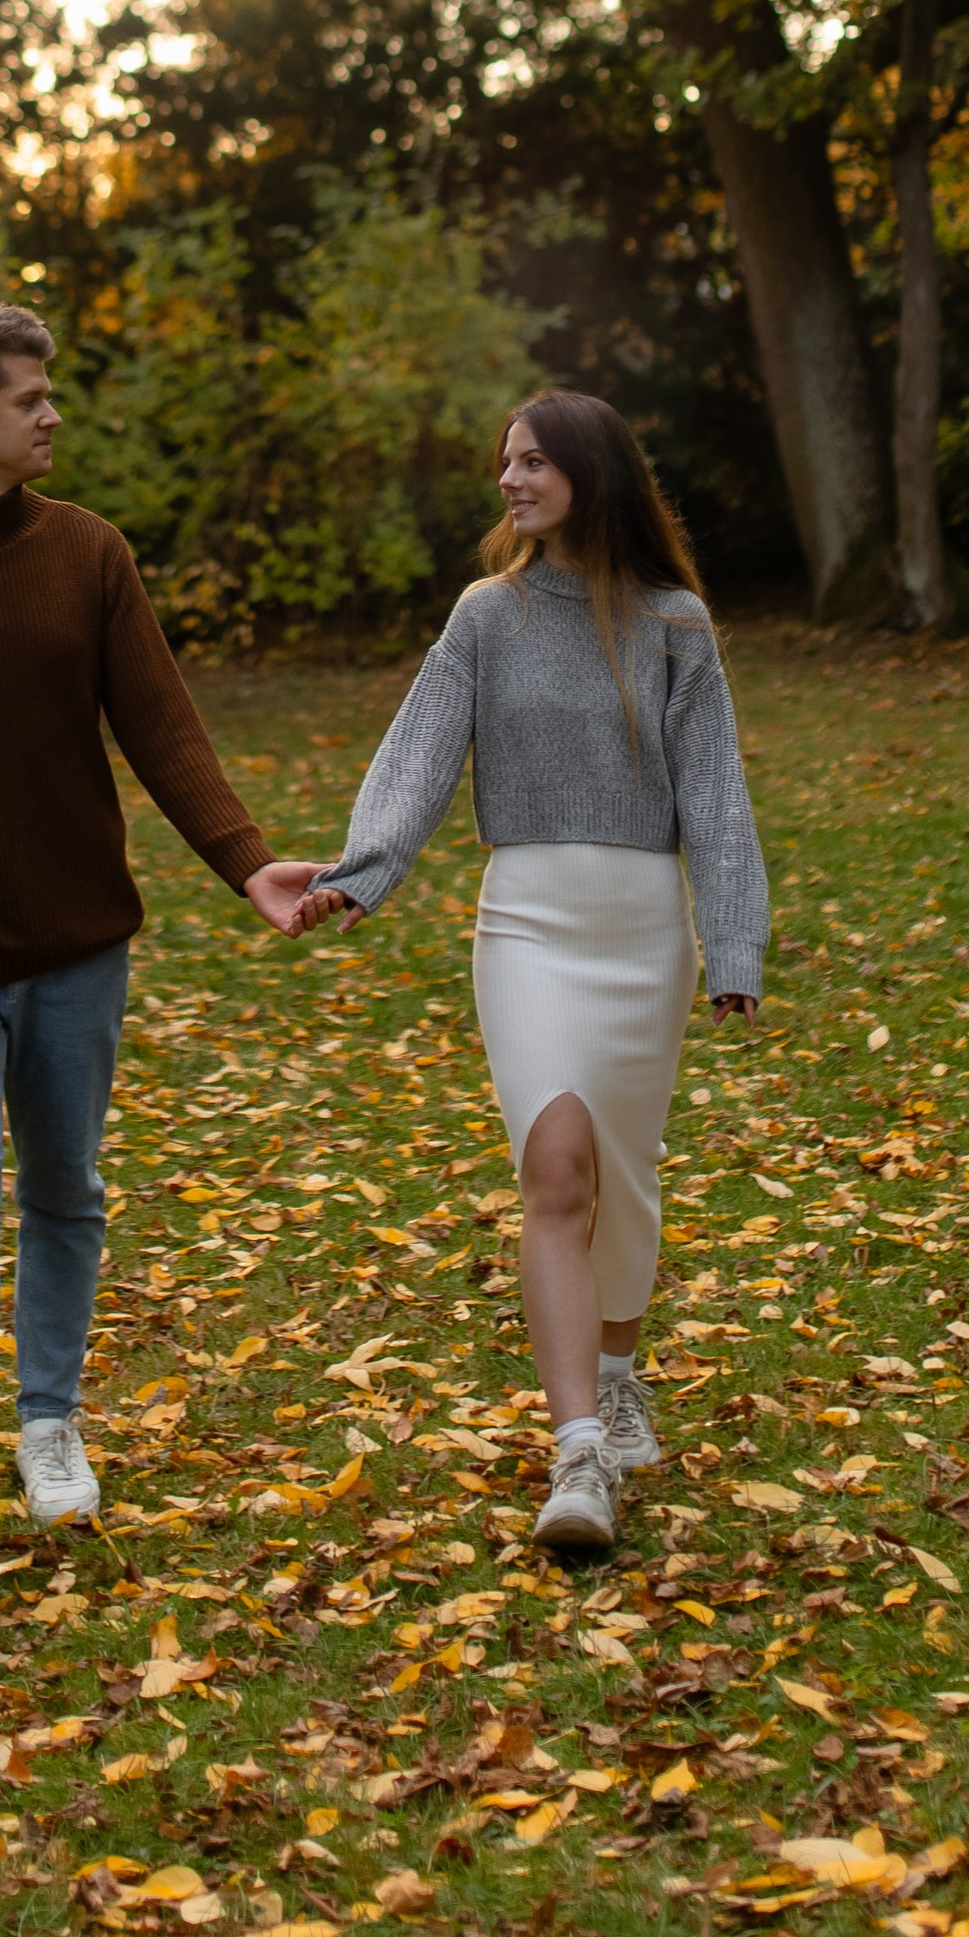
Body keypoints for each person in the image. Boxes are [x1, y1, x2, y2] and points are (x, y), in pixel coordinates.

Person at [0, 302, 327, 1607]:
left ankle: (49, 1427)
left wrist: (242, 857)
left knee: (66, 1191)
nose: (52, 415)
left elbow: (163, 725)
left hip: (79, 942)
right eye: (30, 398)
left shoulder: (90, 556)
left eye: (50, 396)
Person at [299, 390, 766, 1557]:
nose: (509, 482)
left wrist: (735, 939)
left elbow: (713, 799)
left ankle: (617, 1369)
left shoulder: (675, 624)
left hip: (642, 933)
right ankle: (578, 1453)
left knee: (625, 1174)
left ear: (588, 476)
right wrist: (362, 873)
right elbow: (419, 753)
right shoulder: (486, 617)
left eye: (532, 464)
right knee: (554, 1169)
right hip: (528, 930)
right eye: (505, 463)